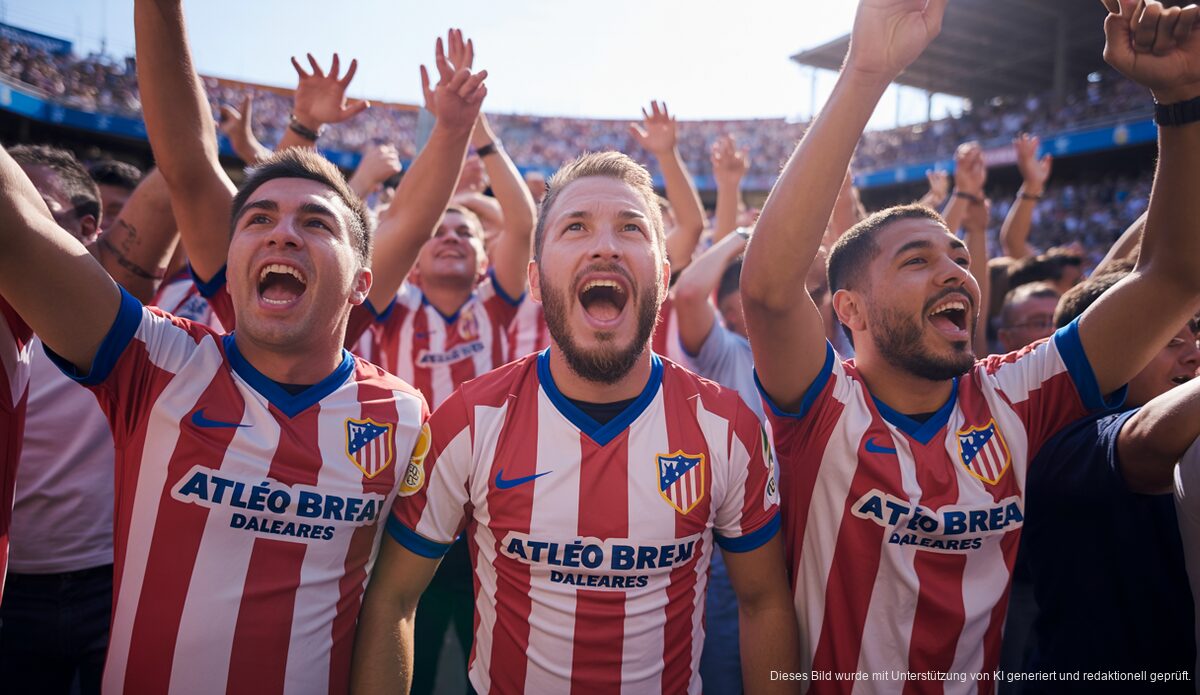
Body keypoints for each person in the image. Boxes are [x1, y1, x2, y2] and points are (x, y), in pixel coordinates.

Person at [741, 0, 1200, 683]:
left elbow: (1174, 279)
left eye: (957, 255)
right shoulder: (823, 404)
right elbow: (770, 290)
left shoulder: (1018, 394)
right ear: (849, 309)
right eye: (917, 260)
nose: (954, 269)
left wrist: (1181, 102)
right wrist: (867, 70)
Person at [352, 151, 800, 694]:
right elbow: (393, 599)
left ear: (662, 278)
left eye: (631, 227)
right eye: (576, 227)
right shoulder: (470, 421)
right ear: (536, 283)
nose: (605, 245)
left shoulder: (728, 427)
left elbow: (765, 603)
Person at [0, 145, 176, 695]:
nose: (21, 233)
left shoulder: (116, 329)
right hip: (14, 592)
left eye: (38, 214)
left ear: (90, 228)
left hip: (113, 582)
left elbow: (179, 173)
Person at [1020, 270, 1199, 691]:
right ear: (1108, 356)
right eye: (1171, 341)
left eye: (1195, 335)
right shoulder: (1063, 446)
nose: (1193, 354)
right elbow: (1152, 441)